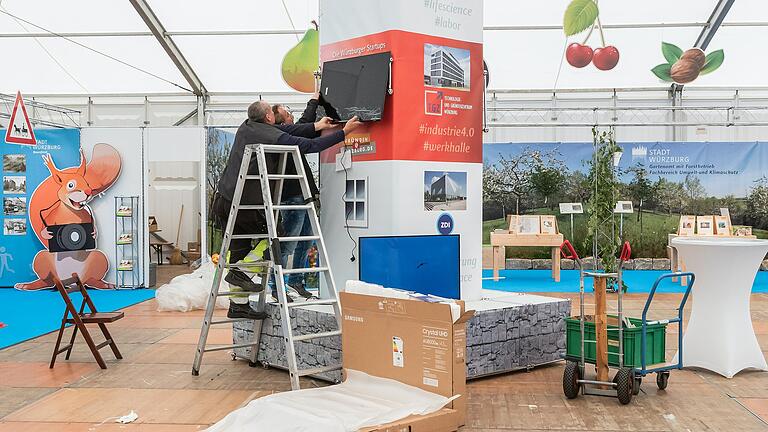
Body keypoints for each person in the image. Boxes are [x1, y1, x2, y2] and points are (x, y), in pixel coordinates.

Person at [213, 100, 361, 318]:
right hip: (245, 204)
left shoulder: (248, 126)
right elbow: (307, 145)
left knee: (239, 251)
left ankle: (238, 305)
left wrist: (317, 126)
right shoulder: (269, 134)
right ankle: (241, 273)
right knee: (276, 240)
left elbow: (292, 128)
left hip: (226, 200)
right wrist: (343, 133)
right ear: (269, 117)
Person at [271, 94, 333, 301]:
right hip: (292, 199)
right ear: (281, 121)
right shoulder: (280, 136)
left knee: (305, 243)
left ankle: (296, 281)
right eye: (288, 114)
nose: (291, 116)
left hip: (304, 197)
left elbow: (304, 125)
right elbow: (305, 124)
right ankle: (276, 286)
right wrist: (314, 101)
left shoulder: (287, 134)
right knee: (288, 244)